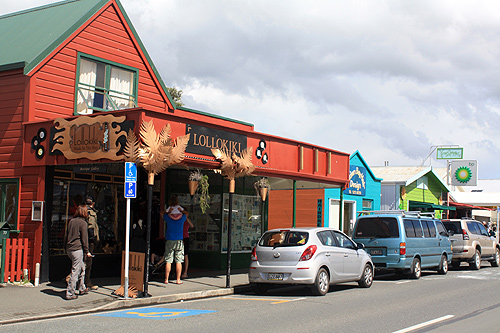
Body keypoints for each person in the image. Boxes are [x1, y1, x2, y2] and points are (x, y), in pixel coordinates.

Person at [66, 204, 92, 300]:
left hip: (70, 248)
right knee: (75, 271)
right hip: (77, 249)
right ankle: (70, 293)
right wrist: (87, 251)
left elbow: (67, 234)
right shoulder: (83, 223)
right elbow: (84, 239)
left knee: (81, 268)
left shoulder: (71, 221)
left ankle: (82, 288)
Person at [163, 208, 187, 284]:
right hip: (179, 240)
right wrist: (181, 210)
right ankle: (178, 279)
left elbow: (161, 213)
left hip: (169, 239)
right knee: (178, 260)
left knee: (168, 260)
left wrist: (168, 211)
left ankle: (166, 279)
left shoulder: (168, 217)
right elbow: (187, 214)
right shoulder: (182, 218)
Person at [85, 196, 99, 291]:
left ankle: (85, 282)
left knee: (84, 262)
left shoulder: (82, 211)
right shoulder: (90, 212)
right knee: (87, 262)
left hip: (85, 240)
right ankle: (86, 282)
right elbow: (91, 227)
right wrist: (92, 239)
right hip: (89, 241)